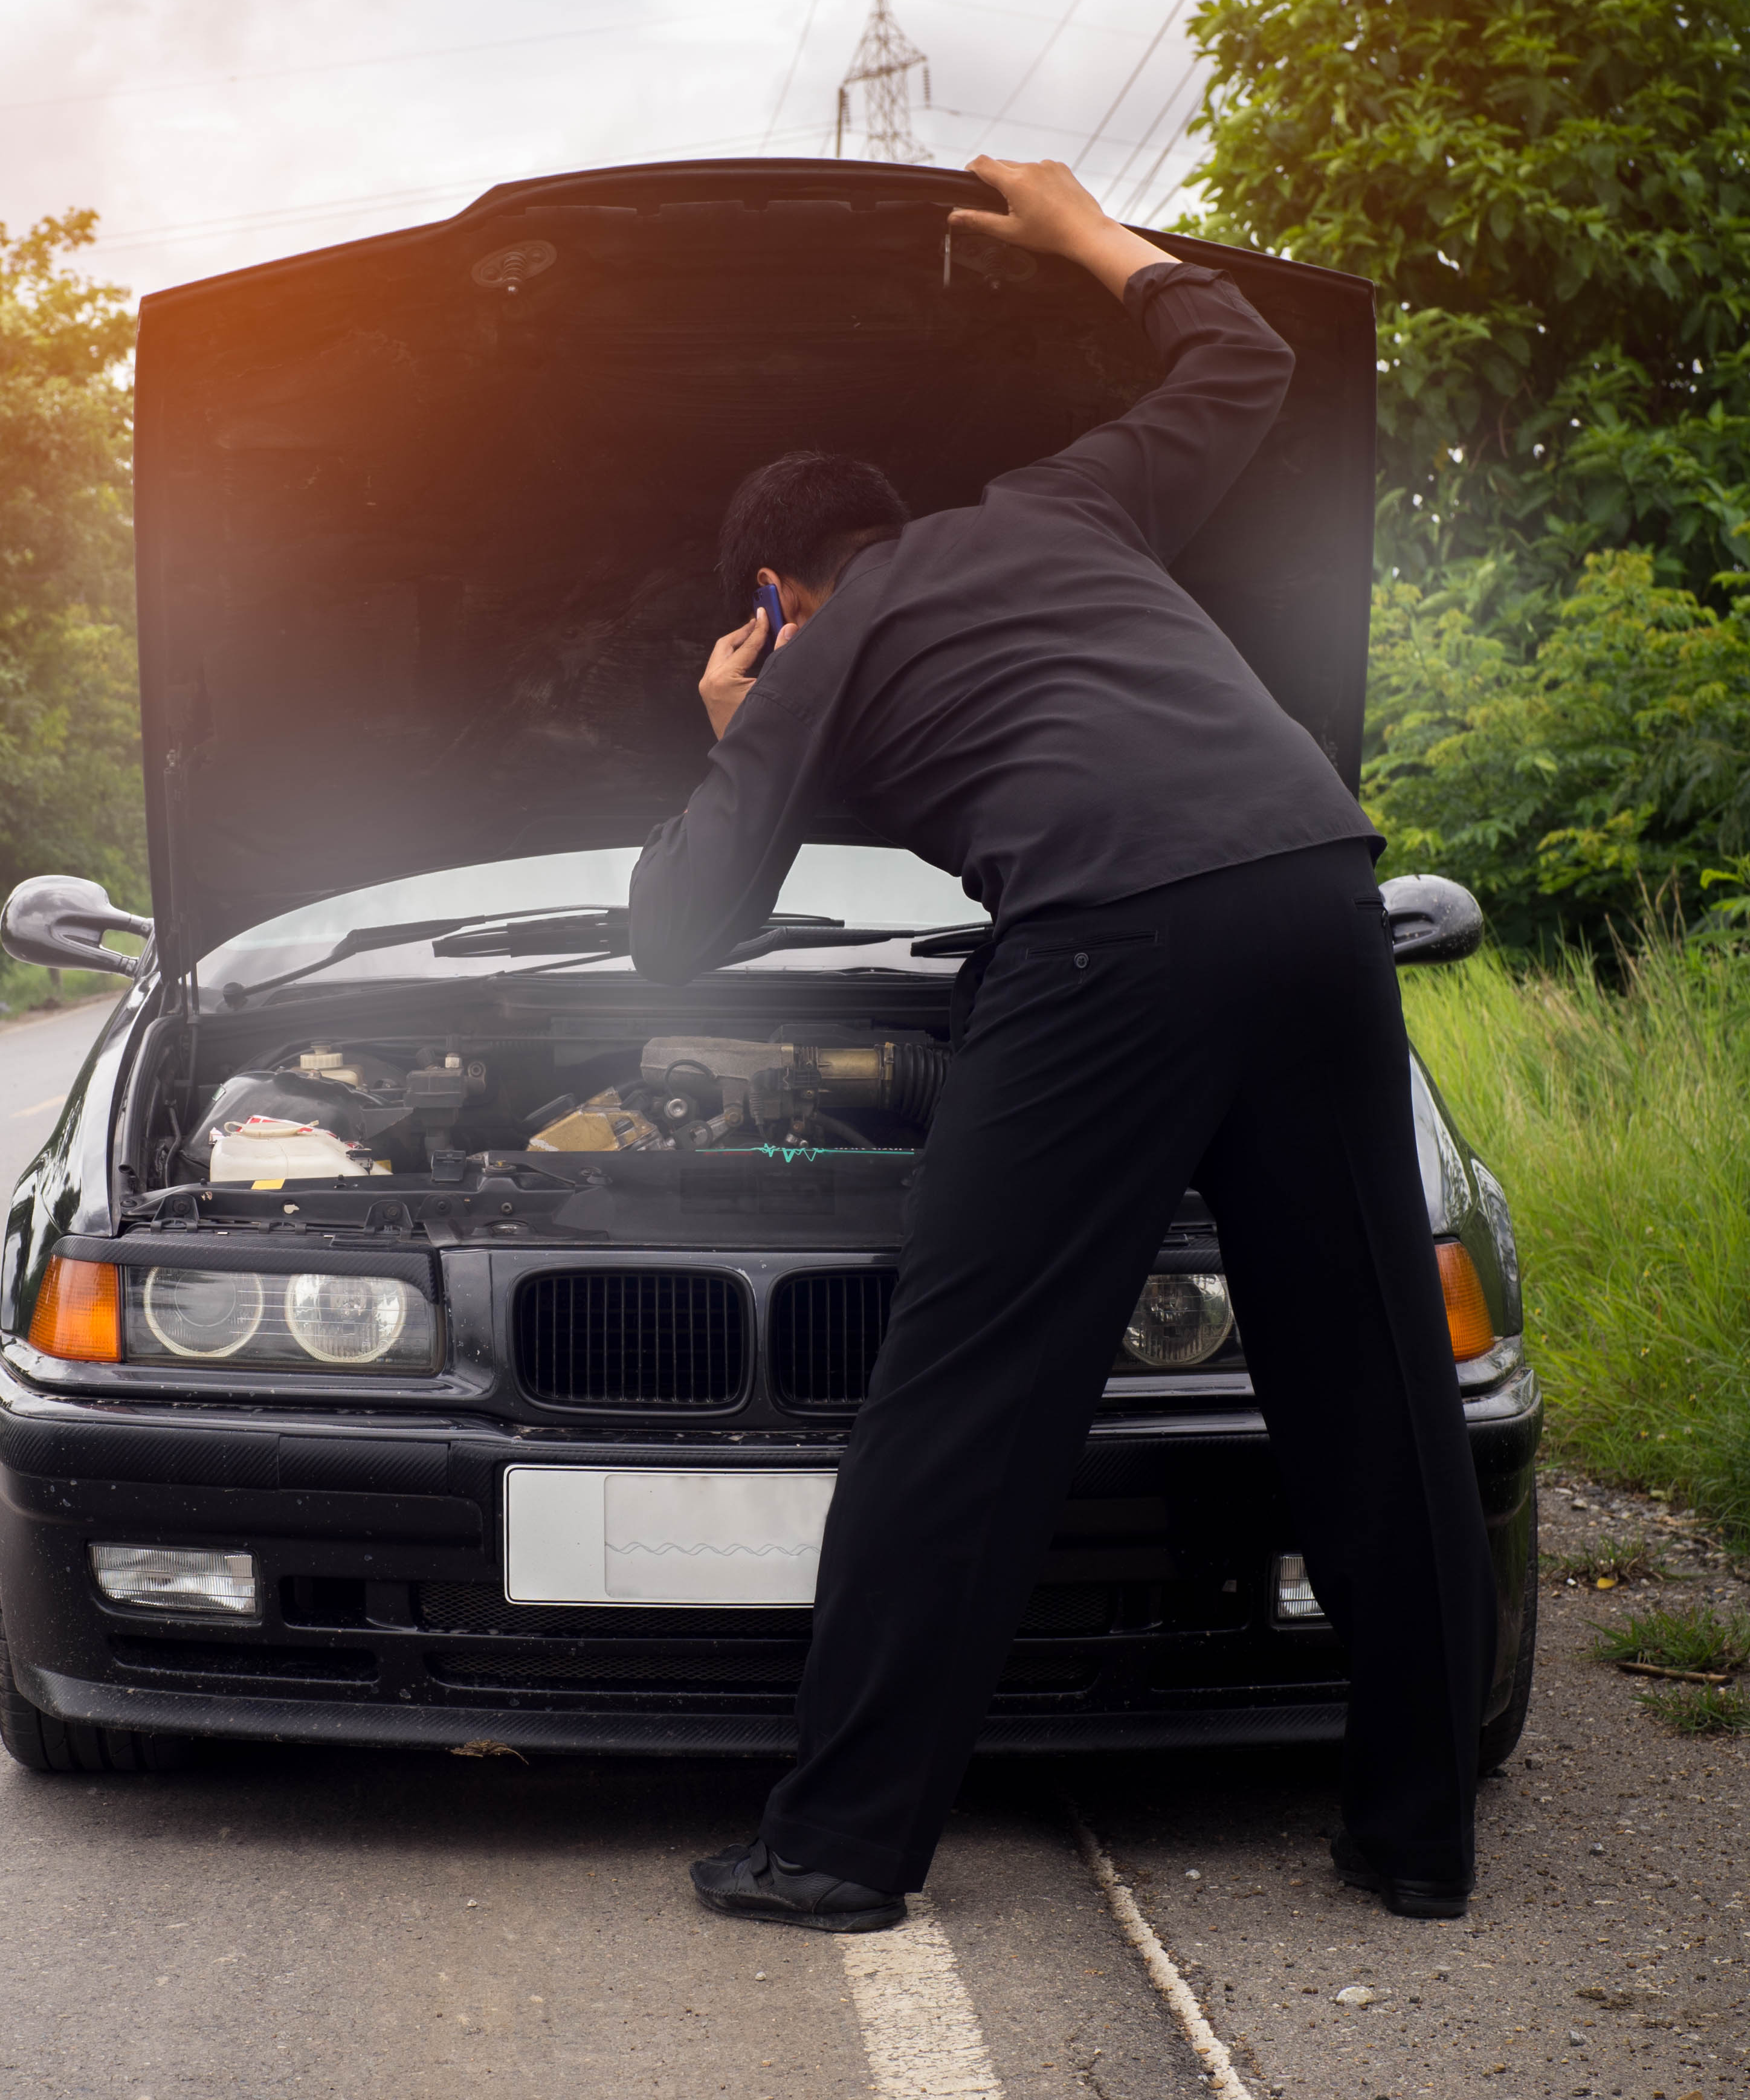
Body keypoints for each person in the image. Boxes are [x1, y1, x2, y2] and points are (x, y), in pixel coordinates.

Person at [629, 155, 1495, 1934]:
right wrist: (1093, 235)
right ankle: (1418, 1836)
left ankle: (837, 1845)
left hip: (1113, 947)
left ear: (778, 585)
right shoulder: (1063, 506)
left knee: (963, 1399)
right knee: (1370, 1380)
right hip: (1323, 894)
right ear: (897, 518)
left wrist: (733, 714)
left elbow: (677, 929)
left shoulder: (814, 647)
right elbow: (1240, 365)